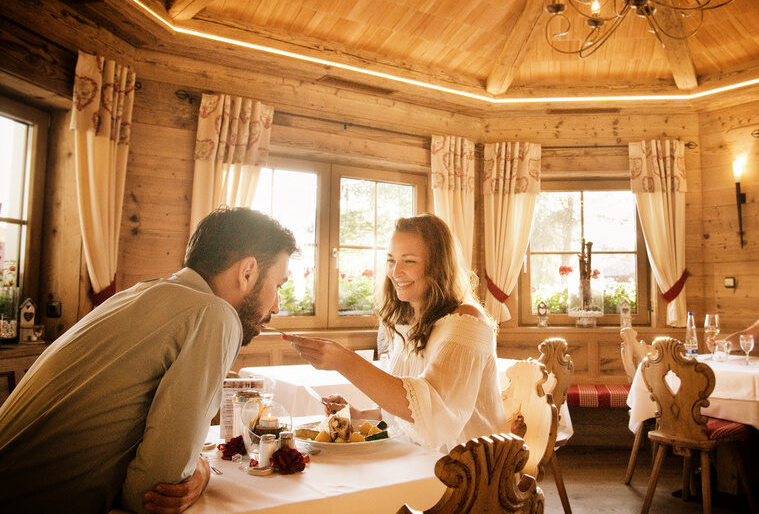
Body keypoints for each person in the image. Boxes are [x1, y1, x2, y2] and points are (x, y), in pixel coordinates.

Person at [0, 208, 298, 514]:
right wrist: (202, 470)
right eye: (278, 286)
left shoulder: (138, 294)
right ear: (247, 272)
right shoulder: (214, 315)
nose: (276, 306)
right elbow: (153, 494)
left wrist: (195, 461)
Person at [284, 213, 505, 453]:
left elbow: (435, 412)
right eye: (391, 260)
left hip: (471, 472)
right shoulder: (408, 321)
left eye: (409, 261)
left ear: (438, 266)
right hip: (417, 459)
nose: (395, 271)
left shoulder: (467, 323)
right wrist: (359, 415)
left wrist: (344, 361)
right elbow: (409, 405)